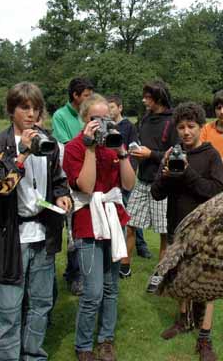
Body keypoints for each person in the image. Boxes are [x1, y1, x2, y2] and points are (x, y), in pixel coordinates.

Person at [0, 82, 72, 360]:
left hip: (42, 234)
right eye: (24, 107)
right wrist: (21, 153)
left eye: (36, 108)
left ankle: (32, 354)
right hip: (11, 237)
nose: (31, 113)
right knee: (9, 310)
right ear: (11, 111)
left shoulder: (49, 142)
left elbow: (58, 178)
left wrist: (62, 195)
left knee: (42, 304)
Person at [63, 94, 135, 361]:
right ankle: (83, 345)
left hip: (112, 219)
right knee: (92, 291)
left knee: (111, 287)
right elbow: (86, 186)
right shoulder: (74, 148)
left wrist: (122, 152)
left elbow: (128, 185)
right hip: (88, 222)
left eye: (107, 118)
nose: (102, 123)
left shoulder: (115, 145)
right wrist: (90, 147)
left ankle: (106, 339)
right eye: (96, 119)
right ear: (85, 120)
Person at [151, 102, 223, 361]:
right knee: (178, 278)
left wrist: (187, 173)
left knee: (207, 284)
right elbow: (156, 193)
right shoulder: (173, 153)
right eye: (181, 127)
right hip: (177, 226)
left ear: (201, 127)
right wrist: (168, 173)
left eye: (191, 126)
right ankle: (183, 320)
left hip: (205, 230)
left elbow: (215, 191)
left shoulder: (210, 155)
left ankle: (204, 337)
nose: (185, 132)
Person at [123, 81, 178, 283]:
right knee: (130, 225)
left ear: (158, 98)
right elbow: (139, 142)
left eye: (147, 97)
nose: (144, 100)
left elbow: (177, 154)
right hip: (142, 181)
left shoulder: (173, 121)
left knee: (164, 232)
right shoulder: (145, 118)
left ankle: (159, 276)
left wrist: (151, 154)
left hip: (163, 184)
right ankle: (124, 268)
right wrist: (134, 149)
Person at [52, 77, 95, 296]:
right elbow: (67, 147)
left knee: (81, 227)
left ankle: (78, 271)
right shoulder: (61, 116)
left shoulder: (88, 116)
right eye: (86, 95)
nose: (89, 99)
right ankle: (74, 274)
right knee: (72, 228)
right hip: (68, 177)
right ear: (76, 95)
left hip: (87, 177)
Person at [106, 94, 152, 260]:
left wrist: (131, 169)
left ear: (120, 108)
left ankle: (141, 245)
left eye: (112, 107)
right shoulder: (105, 126)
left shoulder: (128, 127)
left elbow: (134, 148)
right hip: (110, 175)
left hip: (126, 173)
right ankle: (115, 246)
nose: (109, 110)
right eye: (107, 107)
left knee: (132, 212)